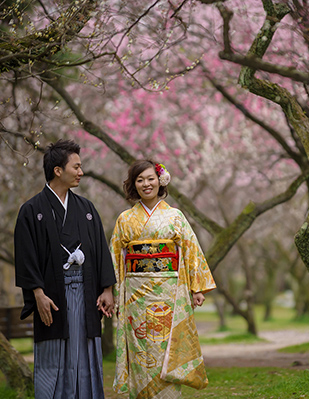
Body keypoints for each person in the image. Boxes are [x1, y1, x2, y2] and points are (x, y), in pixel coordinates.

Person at [14, 139, 116, 398]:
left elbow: (101, 251)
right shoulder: (31, 210)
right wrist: (37, 294)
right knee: (53, 355)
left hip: (86, 293)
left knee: (85, 353)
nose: (81, 172)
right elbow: (26, 257)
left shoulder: (86, 209)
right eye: (77, 167)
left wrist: (107, 289)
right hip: (52, 295)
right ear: (58, 170)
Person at [111, 160, 216, 398]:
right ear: (133, 185)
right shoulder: (125, 219)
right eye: (140, 180)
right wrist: (113, 291)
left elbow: (191, 249)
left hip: (168, 292)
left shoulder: (175, 216)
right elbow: (115, 256)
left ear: (160, 181)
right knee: (139, 347)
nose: (146, 184)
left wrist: (197, 288)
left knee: (166, 347)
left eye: (150, 178)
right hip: (135, 295)